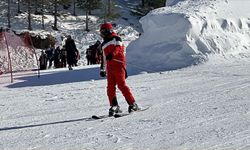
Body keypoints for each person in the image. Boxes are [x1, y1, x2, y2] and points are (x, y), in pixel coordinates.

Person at [99, 22, 139, 116]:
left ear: (109, 30)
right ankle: (114, 106)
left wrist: (112, 54)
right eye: (101, 32)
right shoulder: (103, 44)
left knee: (121, 85)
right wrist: (102, 69)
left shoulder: (116, 38)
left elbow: (118, 48)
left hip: (118, 64)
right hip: (110, 67)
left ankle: (132, 104)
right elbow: (104, 57)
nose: (103, 33)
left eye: (104, 31)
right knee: (110, 87)